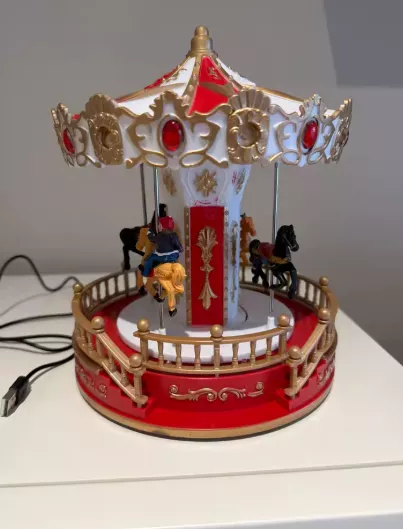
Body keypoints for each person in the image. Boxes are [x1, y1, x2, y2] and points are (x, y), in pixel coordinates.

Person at [139, 216, 183, 281]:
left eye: (159, 225)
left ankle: (146, 273)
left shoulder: (159, 236)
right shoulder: (174, 236)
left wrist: (150, 231)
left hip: (163, 257)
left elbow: (151, 238)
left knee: (149, 259)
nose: (158, 226)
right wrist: (180, 249)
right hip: (173, 256)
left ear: (163, 227)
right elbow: (179, 246)